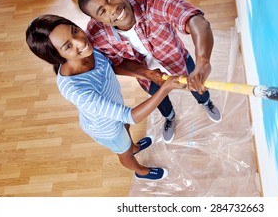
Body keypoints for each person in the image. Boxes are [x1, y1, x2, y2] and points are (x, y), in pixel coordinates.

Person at [26, 14, 185, 180]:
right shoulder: (76, 89)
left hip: (115, 112)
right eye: (68, 46)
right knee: (124, 154)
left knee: (126, 129)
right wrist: (166, 88)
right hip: (107, 129)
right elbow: (129, 116)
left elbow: (110, 67)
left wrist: (147, 75)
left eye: (74, 31)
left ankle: (134, 147)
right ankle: (140, 171)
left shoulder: (90, 52)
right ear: (56, 56)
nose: (80, 42)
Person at [77, 0, 222, 144]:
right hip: (147, 76)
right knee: (160, 99)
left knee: (198, 84)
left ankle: (206, 102)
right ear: (96, 19)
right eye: (102, 11)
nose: (113, 9)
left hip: (178, 60)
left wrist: (203, 61)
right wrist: (146, 73)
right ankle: (169, 117)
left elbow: (196, 21)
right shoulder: (96, 35)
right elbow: (115, 63)